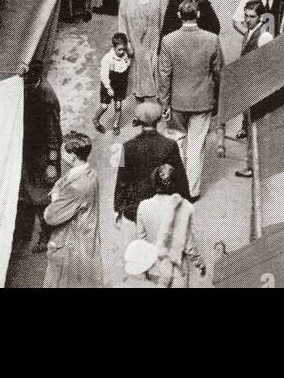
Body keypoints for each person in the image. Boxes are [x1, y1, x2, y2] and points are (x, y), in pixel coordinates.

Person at [157, 0, 224, 200]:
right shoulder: (211, 39)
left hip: (177, 102)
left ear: (179, 15)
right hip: (203, 101)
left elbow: (164, 76)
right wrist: (216, 97)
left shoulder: (168, 41)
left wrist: (164, 103)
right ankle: (192, 191)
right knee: (196, 147)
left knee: (177, 142)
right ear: (199, 14)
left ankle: (175, 186)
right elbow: (219, 71)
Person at [42, 131, 103, 288]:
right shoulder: (90, 173)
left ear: (72, 156)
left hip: (70, 244)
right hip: (85, 238)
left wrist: (55, 197)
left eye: (63, 151)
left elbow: (50, 216)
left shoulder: (76, 186)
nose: (61, 154)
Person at [114, 100, 190, 224]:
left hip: (137, 204)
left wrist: (117, 208)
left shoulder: (127, 147)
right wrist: (185, 200)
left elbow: (122, 180)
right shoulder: (170, 145)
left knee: (143, 235)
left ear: (138, 121)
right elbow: (179, 175)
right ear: (159, 120)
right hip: (163, 202)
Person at [136, 164, 207, 287]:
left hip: (155, 268)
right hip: (177, 270)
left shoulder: (143, 206)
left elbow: (141, 240)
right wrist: (199, 263)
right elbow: (189, 246)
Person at [17, 61, 62, 253]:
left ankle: (46, 234)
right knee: (27, 194)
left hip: (43, 156)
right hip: (30, 150)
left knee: (42, 197)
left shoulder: (46, 98)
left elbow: (54, 133)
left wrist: (51, 163)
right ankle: (24, 234)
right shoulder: (32, 89)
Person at [234, 5, 276, 180]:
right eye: (246, 16)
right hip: (248, 85)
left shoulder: (264, 36)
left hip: (256, 86)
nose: (247, 20)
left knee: (254, 129)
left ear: (260, 18)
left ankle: (253, 166)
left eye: (251, 16)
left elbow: (267, 63)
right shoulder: (249, 33)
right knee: (251, 128)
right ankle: (252, 164)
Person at [118, 0, 168, 102]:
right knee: (139, 74)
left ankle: (158, 105)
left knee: (156, 71)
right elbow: (122, 22)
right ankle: (140, 108)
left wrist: (164, 42)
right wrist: (126, 43)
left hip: (154, 40)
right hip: (136, 43)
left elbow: (165, 19)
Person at [93, 31, 133, 135]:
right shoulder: (108, 59)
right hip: (109, 84)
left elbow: (127, 68)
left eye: (124, 49)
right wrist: (108, 87)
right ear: (113, 46)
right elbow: (104, 75)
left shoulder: (125, 56)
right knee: (104, 106)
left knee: (118, 105)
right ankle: (96, 120)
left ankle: (116, 125)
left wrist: (127, 61)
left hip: (120, 84)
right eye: (119, 49)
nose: (122, 52)